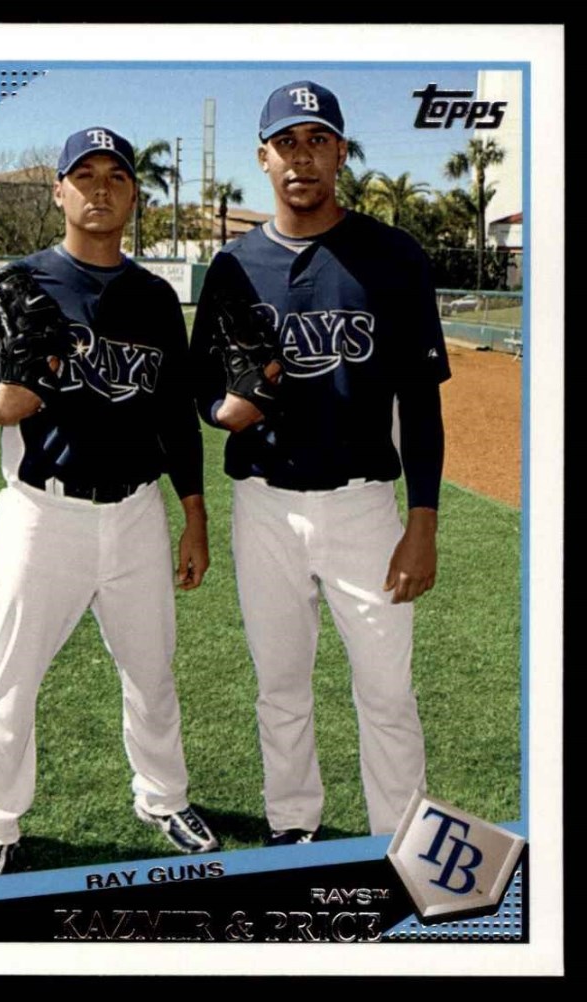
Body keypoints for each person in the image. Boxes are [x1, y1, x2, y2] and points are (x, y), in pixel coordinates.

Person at [0, 126, 218, 877]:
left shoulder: (155, 298)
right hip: (43, 514)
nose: (100, 188)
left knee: (152, 670)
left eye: (116, 176)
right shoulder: (19, 285)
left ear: (134, 195)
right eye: (84, 175)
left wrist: (194, 516)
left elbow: (174, 419)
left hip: (136, 513)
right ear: (59, 191)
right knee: (10, 675)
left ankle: (162, 796)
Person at [192, 82, 450, 845]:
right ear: (263, 159)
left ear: (340, 153)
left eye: (316, 141)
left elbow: (422, 404)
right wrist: (222, 412)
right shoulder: (232, 266)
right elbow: (202, 386)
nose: (301, 158)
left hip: (364, 507)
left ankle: (401, 843)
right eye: (286, 143)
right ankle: (292, 827)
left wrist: (423, 522)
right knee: (280, 687)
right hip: (263, 505)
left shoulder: (393, 257)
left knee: (387, 692)